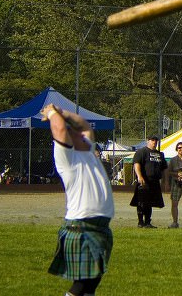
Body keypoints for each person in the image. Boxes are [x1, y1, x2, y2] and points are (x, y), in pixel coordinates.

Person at [42, 103, 114, 296]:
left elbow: (85, 126)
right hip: (82, 227)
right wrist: (50, 113)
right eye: (72, 132)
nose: (81, 133)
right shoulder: (66, 156)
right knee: (80, 286)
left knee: (90, 286)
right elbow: (58, 128)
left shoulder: (88, 150)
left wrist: (61, 111)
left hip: (100, 228)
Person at [130, 135, 167, 228]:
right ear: (148, 141)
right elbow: (136, 164)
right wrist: (140, 176)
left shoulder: (160, 154)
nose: (154, 142)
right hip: (144, 180)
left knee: (150, 202)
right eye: (152, 140)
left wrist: (165, 180)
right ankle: (140, 222)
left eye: (156, 140)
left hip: (155, 181)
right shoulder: (141, 152)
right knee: (141, 201)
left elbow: (164, 168)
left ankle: (147, 222)